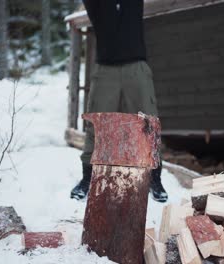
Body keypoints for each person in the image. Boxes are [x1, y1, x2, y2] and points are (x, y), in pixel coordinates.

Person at [70, 0, 168, 202]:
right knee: (95, 125)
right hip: (106, 70)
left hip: (136, 67)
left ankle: (155, 178)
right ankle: (87, 178)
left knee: (149, 123)